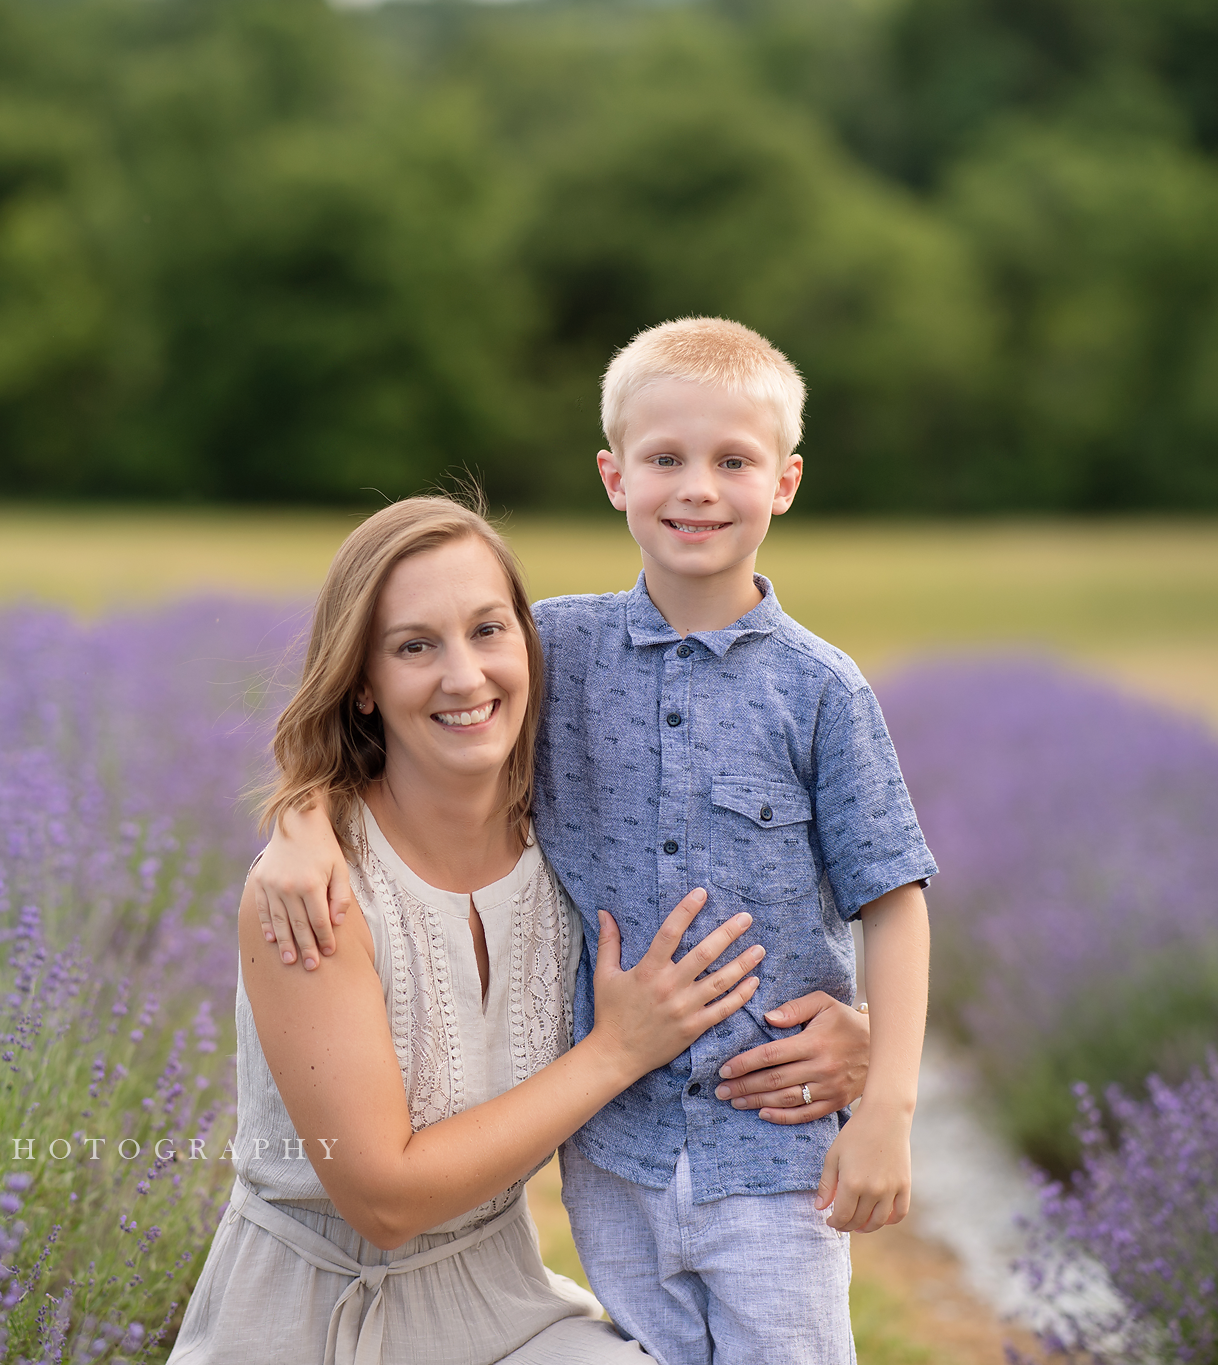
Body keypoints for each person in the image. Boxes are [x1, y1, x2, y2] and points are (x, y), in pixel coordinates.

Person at [246, 317, 938, 1364]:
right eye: (664, 459)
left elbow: (892, 892)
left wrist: (882, 1083)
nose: (695, 488)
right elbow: (376, 733)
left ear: (785, 482)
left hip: (770, 1148)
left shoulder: (818, 690)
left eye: (731, 461)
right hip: (615, 1161)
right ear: (614, 477)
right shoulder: (554, 648)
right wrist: (297, 824)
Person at [170, 496, 778, 1365]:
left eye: (488, 630)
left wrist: (850, 1033)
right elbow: (385, 1198)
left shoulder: (580, 839)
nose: (464, 676)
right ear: (364, 685)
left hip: (504, 1308)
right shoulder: (312, 894)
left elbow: (756, 934)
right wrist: (616, 1050)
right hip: (307, 1324)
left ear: (528, 648)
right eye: (416, 645)